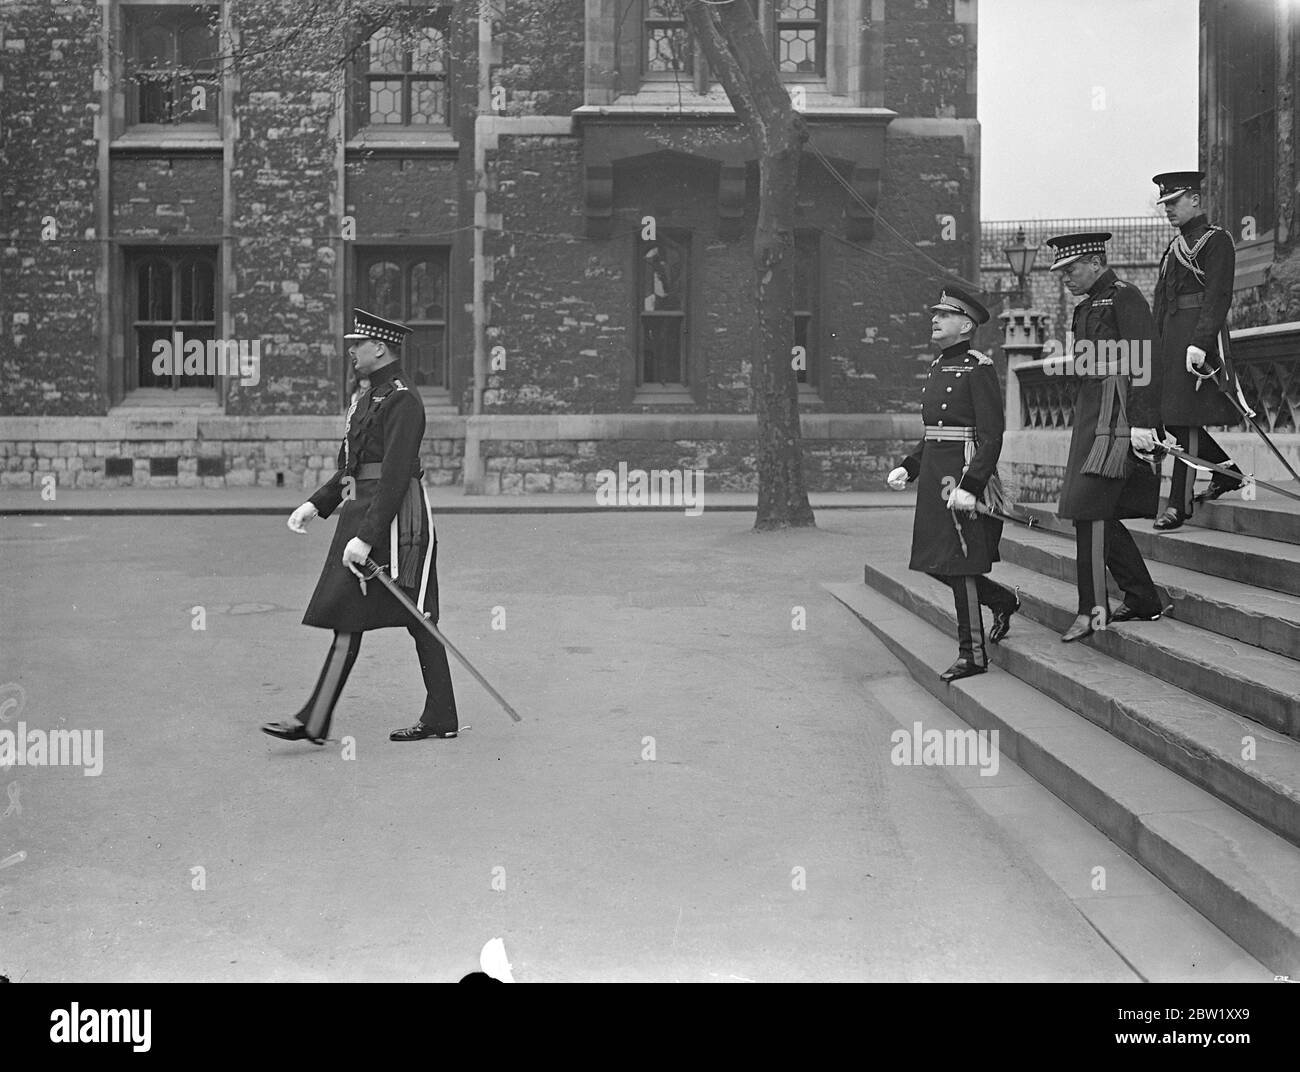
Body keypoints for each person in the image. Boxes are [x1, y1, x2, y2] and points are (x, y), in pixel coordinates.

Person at [262, 309, 459, 745]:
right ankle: (315, 720)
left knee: (420, 617)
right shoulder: (365, 398)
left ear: (380, 348)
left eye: (358, 344)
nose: (351, 351)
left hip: (397, 525)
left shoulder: (404, 400)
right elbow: (352, 468)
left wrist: (366, 538)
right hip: (361, 514)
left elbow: (394, 476)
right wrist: (316, 504)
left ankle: (438, 716)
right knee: (351, 619)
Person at [887, 287, 1019, 682]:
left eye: (944, 315)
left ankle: (974, 655)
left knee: (960, 566)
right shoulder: (937, 366)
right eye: (935, 313)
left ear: (966, 324)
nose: (935, 319)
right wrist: (910, 466)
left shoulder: (978, 368)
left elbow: (992, 435)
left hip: (962, 478)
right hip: (933, 480)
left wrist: (973, 484)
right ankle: (1001, 599)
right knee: (933, 560)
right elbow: (933, 434)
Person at [1045, 232, 1164, 642]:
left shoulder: (1123, 297)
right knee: (1095, 510)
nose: (1066, 278)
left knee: (1090, 510)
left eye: (1071, 269)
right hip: (1091, 414)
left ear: (1095, 262)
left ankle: (1093, 610)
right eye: (1062, 272)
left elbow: (1145, 359)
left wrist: (1144, 422)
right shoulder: (1088, 306)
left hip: (1116, 414)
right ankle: (1143, 598)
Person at [1150, 170, 1244, 530]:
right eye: (1165, 204)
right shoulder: (1173, 248)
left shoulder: (1216, 241)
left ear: (1195, 199)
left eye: (1174, 202)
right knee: (1172, 416)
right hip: (1172, 340)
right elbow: (1162, 303)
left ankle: (1179, 504)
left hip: (1197, 340)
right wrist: (1156, 347)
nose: (1168, 210)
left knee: (1184, 418)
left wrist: (1200, 343)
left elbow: (1218, 295)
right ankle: (1228, 471)